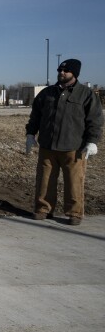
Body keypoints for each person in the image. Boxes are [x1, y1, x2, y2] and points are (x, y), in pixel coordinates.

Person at [25, 58, 103, 225]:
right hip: (48, 146)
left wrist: (92, 141)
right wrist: (30, 134)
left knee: (74, 182)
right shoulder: (47, 93)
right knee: (45, 181)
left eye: (65, 71)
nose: (61, 73)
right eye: (60, 70)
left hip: (74, 148)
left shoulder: (86, 94)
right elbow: (36, 115)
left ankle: (74, 213)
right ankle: (43, 209)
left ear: (74, 74)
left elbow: (95, 120)